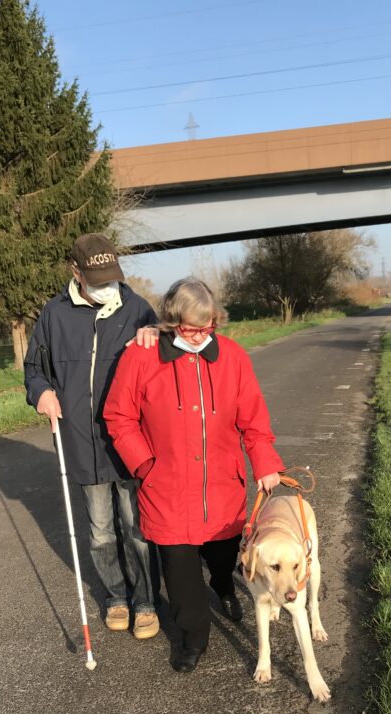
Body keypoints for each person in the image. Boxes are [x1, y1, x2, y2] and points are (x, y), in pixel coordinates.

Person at [103, 277, 283, 673]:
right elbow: (119, 416)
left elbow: (253, 418)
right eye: (191, 328)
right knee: (180, 570)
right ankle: (193, 635)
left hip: (222, 486)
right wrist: (144, 464)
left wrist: (266, 463)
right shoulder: (141, 358)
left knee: (221, 556)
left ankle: (222, 585)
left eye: (209, 327)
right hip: (165, 487)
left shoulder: (233, 357)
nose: (201, 337)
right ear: (170, 321)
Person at [24, 233, 160, 639]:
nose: (107, 285)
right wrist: (41, 393)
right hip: (82, 443)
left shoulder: (138, 310)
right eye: (97, 277)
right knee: (101, 529)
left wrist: (158, 337)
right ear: (76, 273)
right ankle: (116, 596)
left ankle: (146, 602)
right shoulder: (54, 314)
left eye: (111, 276)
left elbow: (167, 365)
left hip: (131, 441)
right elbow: (35, 368)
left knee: (136, 526)